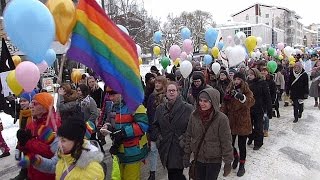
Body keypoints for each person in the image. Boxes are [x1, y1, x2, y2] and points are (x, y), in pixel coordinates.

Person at [184, 88, 233, 180]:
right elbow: (188, 135)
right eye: (200, 100)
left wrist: (228, 162)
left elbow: (226, 141)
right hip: (198, 157)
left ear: (213, 101)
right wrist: (186, 154)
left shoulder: (221, 119)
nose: (202, 103)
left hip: (214, 160)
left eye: (205, 101)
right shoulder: (194, 116)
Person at [100, 88, 149, 180]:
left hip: (134, 152)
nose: (110, 98)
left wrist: (123, 132)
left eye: (113, 95)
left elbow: (143, 126)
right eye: (109, 95)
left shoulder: (135, 105)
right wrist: (107, 126)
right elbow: (112, 123)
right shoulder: (113, 106)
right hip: (119, 151)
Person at [152, 82, 193, 180]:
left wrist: (184, 139)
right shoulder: (160, 109)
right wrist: (159, 138)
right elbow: (155, 125)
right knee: (172, 173)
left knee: (176, 173)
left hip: (179, 147)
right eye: (169, 91)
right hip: (165, 146)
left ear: (178, 92)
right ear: (165, 93)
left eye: (173, 90)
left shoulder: (187, 108)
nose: (171, 92)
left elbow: (192, 128)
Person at [16, 92, 61, 180]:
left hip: (47, 174)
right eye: (31, 103)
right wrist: (21, 143)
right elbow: (26, 149)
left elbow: (52, 151)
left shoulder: (53, 124)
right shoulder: (32, 124)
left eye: (35, 103)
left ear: (45, 106)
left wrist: (28, 142)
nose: (31, 106)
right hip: (33, 171)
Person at [221, 72, 255, 177]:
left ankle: (242, 165)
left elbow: (251, 101)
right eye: (235, 79)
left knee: (241, 145)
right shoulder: (229, 89)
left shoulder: (246, 90)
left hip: (243, 122)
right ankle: (235, 157)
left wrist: (242, 98)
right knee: (230, 144)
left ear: (243, 80)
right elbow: (224, 105)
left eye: (239, 79)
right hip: (231, 122)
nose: (236, 81)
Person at [11, 90, 37, 180]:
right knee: (25, 156)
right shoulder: (22, 113)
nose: (22, 103)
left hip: (33, 142)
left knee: (31, 158)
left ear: (31, 101)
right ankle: (24, 173)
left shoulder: (34, 114)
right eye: (20, 101)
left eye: (24, 101)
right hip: (24, 141)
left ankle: (26, 174)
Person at [146, 76, 167, 180]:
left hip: (164, 129)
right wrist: (149, 128)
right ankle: (152, 172)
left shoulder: (166, 96)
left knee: (165, 151)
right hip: (153, 127)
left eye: (159, 83)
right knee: (153, 150)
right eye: (156, 83)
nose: (157, 85)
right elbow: (149, 112)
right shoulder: (151, 96)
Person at [247, 68, 272, 150]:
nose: (249, 76)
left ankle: (258, 143)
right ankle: (251, 137)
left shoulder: (262, 83)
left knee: (258, 127)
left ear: (256, 75)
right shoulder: (247, 83)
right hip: (249, 108)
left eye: (251, 74)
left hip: (259, 108)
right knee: (248, 126)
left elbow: (267, 97)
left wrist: (269, 110)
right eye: (249, 74)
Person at [260, 67, 276, 137]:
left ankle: (265, 130)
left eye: (265, 71)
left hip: (267, 102)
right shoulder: (259, 80)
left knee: (266, 116)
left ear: (268, 72)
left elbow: (273, 92)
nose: (263, 72)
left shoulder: (271, 81)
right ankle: (261, 128)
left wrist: (272, 102)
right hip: (259, 101)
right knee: (260, 116)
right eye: (262, 71)